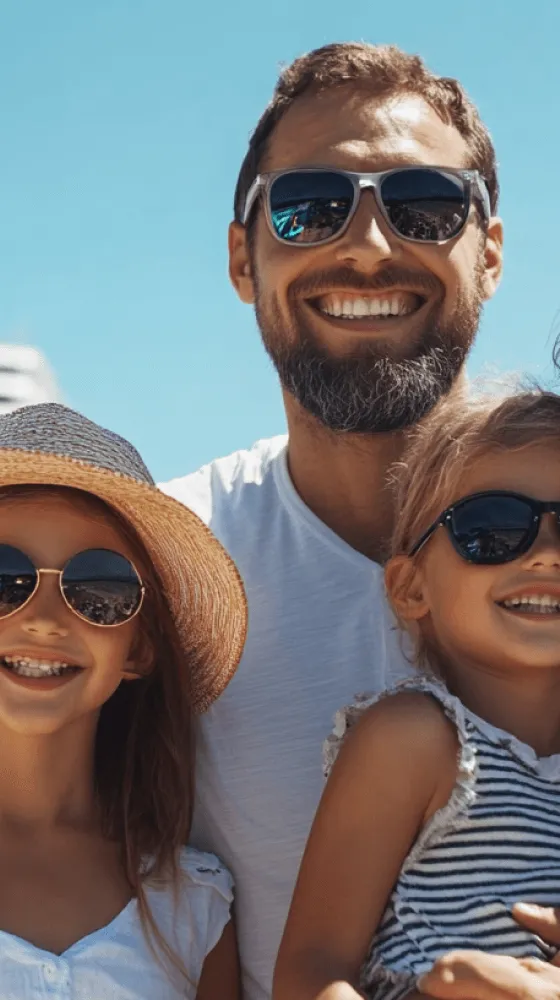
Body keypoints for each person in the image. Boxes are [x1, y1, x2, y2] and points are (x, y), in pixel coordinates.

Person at [162, 41, 504, 999]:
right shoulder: (159, 561)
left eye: (425, 204)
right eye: (309, 207)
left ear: (490, 253)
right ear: (244, 258)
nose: (368, 247)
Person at [273, 387, 560, 1000]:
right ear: (411, 588)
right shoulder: (416, 740)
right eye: (494, 528)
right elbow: (311, 970)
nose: (547, 555)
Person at [0, 402, 247, 999]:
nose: (44, 619)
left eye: (99, 589)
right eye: (4, 578)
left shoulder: (192, 906)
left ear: (140, 648)